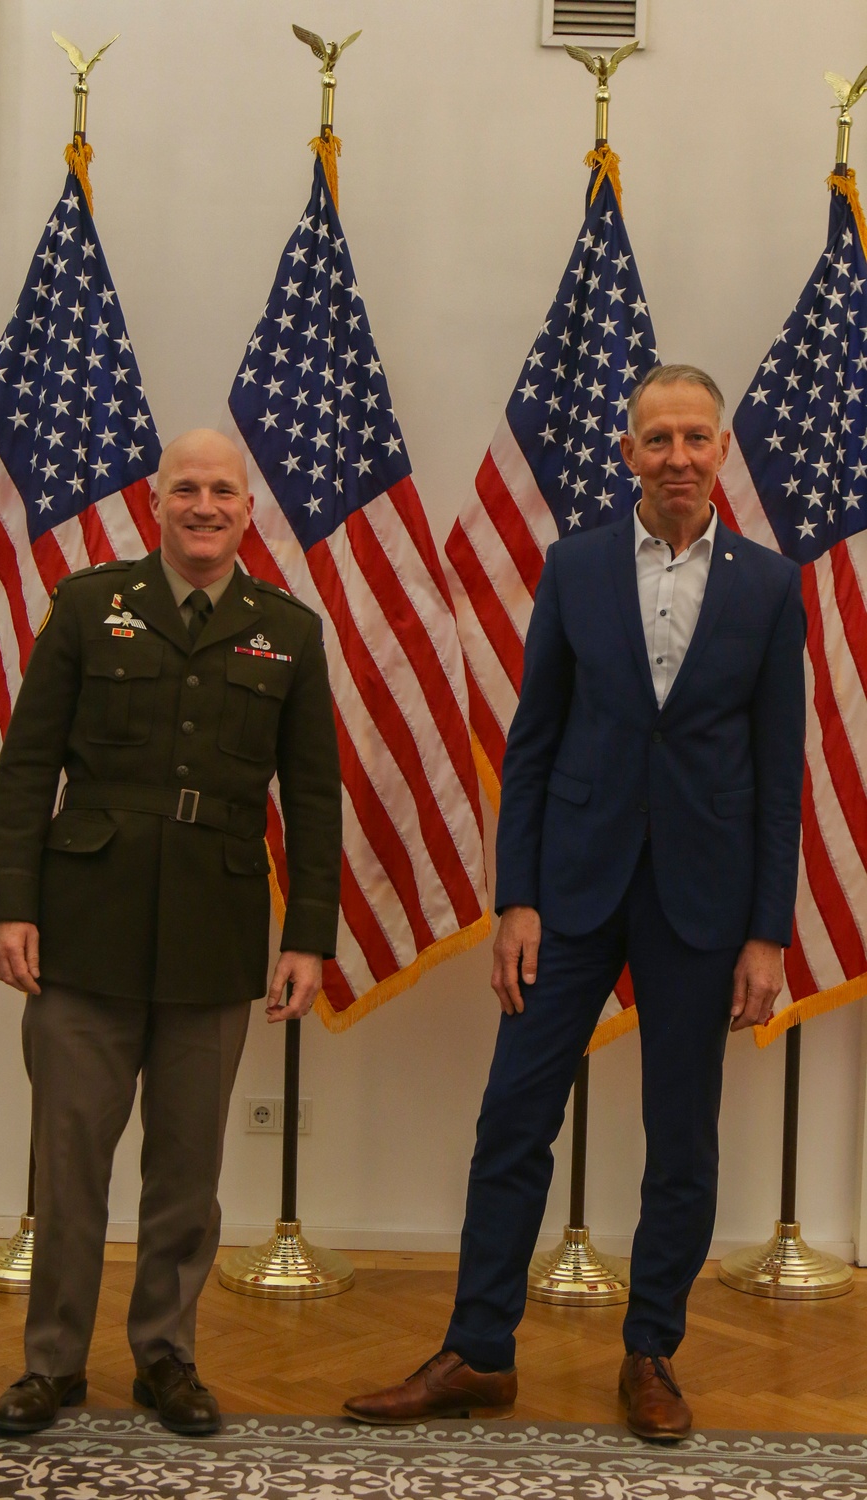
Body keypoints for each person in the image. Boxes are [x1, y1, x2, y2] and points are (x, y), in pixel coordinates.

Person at [343, 366, 806, 1441]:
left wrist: (767, 932)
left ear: (719, 449)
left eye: (696, 437)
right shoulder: (573, 569)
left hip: (703, 902)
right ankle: (477, 1351)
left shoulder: (769, 587)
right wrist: (516, 901)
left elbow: (781, 775)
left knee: (679, 1140)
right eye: (659, 438)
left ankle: (650, 1355)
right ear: (628, 451)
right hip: (570, 894)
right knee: (512, 1116)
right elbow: (534, 746)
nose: (678, 456)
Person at [0, 428, 342, 1436]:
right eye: (186, 488)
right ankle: (51, 1364)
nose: (204, 505)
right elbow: (25, 765)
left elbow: (314, 798)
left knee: (187, 1172)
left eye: (222, 491)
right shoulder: (92, 607)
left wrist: (308, 934)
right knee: (70, 1163)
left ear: (246, 510)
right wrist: (8, 900)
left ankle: (166, 1357)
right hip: (81, 928)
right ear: (156, 504)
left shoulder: (288, 630)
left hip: (214, 937)